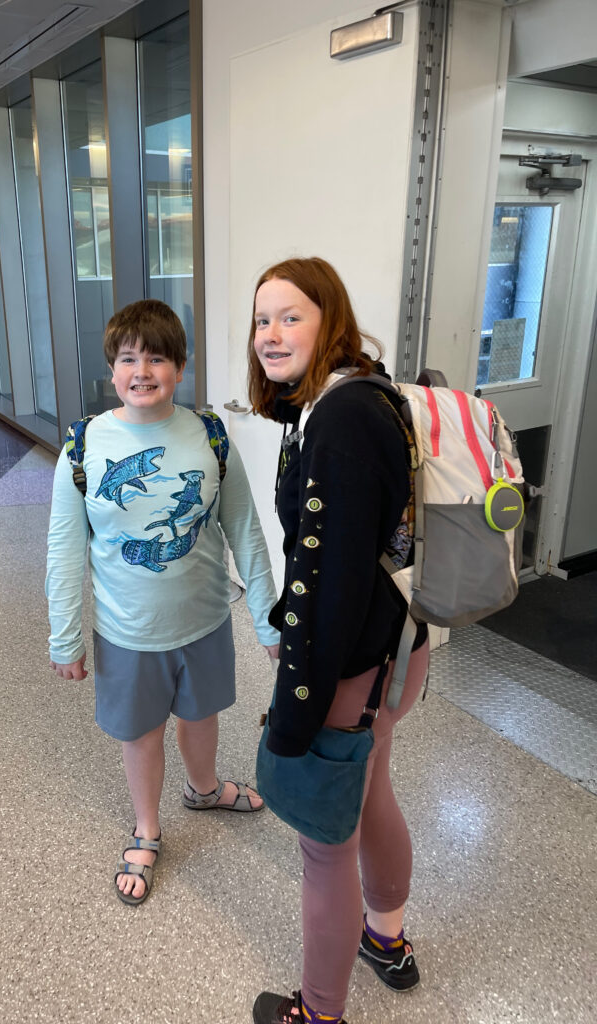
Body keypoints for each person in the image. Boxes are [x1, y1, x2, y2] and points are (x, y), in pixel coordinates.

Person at [45, 298, 280, 907]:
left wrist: (267, 610)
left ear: (180, 366)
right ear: (112, 369)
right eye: (128, 359)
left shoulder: (208, 434)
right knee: (142, 733)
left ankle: (203, 788)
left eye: (157, 358)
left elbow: (244, 527)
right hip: (128, 631)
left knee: (201, 716)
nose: (141, 371)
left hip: (204, 619)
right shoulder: (84, 446)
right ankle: (147, 827)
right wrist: (65, 637)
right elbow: (64, 552)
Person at [246, 258, 430, 1024]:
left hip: (350, 669)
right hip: (400, 651)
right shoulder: (365, 391)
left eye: (291, 315)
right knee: (371, 790)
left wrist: (294, 716)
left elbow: (331, 591)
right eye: (261, 319)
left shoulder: (341, 421)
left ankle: (319, 1014)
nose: (271, 334)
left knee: (326, 845)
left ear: (331, 320)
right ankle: (385, 940)